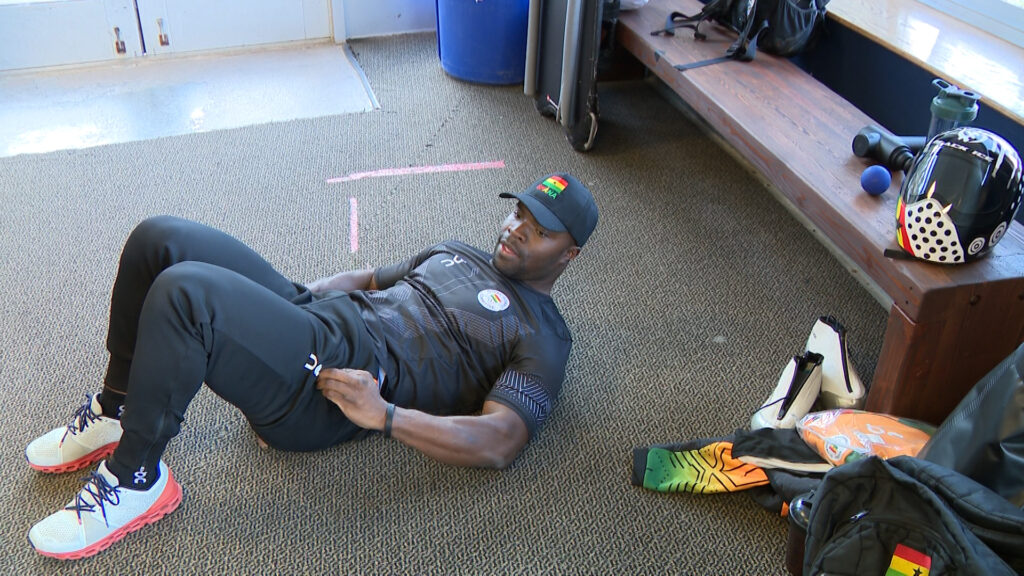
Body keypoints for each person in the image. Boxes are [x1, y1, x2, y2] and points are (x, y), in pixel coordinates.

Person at [25, 172, 599, 560]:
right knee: (160, 239)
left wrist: (386, 416)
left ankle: (136, 480)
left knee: (186, 295)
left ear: (569, 254)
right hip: (324, 322)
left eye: (538, 230)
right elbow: (372, 279)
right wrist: (293, 304)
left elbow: (501, 440)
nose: (514, 230)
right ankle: (117, 410)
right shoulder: (457, 251)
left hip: (338, 381)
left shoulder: (542, 336)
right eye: (518, 213)